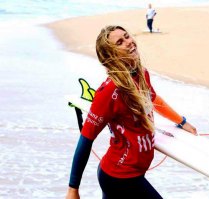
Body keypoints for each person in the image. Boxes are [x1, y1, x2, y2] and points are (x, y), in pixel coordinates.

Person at [65, 25, 197, 199]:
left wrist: (181, 121)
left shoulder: (141, 74)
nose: (128, 42)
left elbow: (154, 100)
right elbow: (86, 138)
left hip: (128, 174)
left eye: (127, 37)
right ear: (111, 56)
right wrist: (73, 189)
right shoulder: (109, 92)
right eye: (120, 42)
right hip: (120, 177)